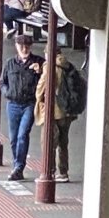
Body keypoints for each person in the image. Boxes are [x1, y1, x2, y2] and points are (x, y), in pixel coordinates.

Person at [35, 50, 87, 182]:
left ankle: (49, 171)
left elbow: (41, 89)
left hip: (53, 111)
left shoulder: (49, 67)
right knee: (63, 142)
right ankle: (63, 172)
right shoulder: (67, 65)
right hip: (67, 111)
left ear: (48, 53)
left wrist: (39, 97)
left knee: (48, 142)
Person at [0, 33, 44, 181]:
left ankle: (19, 166)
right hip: (12, 104)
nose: (24, 49)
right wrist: (8, 93)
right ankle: (17, 165)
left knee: (22, 135)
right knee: (13, 138)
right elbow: (2, 82)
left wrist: (40, 72)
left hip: (29, 104)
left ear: (30, 47)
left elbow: (48, 80)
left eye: (27, 46)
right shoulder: (10, 63)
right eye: (21, 46)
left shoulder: (39, 62)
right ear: (16, 47)